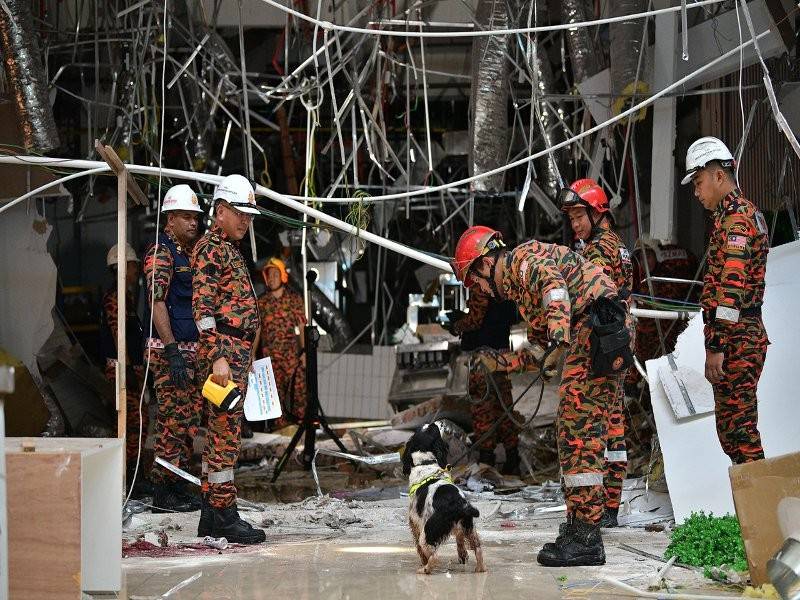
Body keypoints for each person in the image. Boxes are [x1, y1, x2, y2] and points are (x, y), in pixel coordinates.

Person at [451, 226, 631, 567]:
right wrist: (499, 363)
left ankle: (587, 537)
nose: (480, 291)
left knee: (579, 435)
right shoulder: (521, 292)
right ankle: (581, 525)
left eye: (476, 282)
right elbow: (536, 348)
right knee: (573, 433)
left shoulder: (523, 261)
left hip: (596, 331)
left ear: (486, 264)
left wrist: (560, 339)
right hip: (591, 333)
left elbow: (555, 289)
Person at [682, 136, 769, 464]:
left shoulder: (736, 221)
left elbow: (731, 291)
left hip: (738, 338)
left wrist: (717, 346)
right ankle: (755, 509)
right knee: (732, 431)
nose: (696, 191)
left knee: (740, 431)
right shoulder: (730, 217)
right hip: (740, 335)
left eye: (699, 181)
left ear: (719, 176)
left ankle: (762, 510)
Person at [192, 174, 266, 544]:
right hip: (223, 356)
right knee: (225, 436)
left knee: (220, 434)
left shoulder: (229, 248)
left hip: (236, 353)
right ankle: (225, 516)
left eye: (250, 216)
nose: (246, 222)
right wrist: (219, 358)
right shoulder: (210, 248)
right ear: (220, 211)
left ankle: (210, 513)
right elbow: (203, 311)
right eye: (241, 214)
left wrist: (244, 353)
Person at [560, 178, 633, 528]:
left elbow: (588, 297)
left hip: (600, 344)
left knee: (592, 426)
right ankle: (611, 506)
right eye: (571, 218)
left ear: (596, 212)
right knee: (614, 422)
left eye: (579, 216)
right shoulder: (617, 245)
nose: (575, 225)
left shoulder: (598, 250)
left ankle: (593, 512)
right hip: (616, 343)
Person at [143, 184, 204, 512]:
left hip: (188, 351)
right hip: (169, 353)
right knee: (172, 420)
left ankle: (178, 484)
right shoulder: (161, 251)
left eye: (195, 217)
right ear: (170, 218)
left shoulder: (187, 253)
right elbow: (157, 301)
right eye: (185, 216)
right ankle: (162, 492)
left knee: (188, 420)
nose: (193, 222)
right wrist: (171, 351)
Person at [446, 291, 521, 475]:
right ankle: (513, 458)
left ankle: (487, 459)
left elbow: (475, 320)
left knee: (483, 408)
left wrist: (457, 324)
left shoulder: (481, 286)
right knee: (503, 408)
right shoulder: (503, 286)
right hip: (502, 356)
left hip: (483, 357)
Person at [100, 243, 148, 494]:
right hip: (121, 369)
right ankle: (130, 478)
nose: (137, 270)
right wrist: (128, 368)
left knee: (139, 421)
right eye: (133, 266)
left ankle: (134, 474)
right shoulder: (115, 297)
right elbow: (118, 333)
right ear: (123, 267)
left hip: (130, 368)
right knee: (131, 423)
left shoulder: (126, 296)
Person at [627, 235, 700, 387]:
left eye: (647, 255)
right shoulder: (642, 280)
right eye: (640, 258)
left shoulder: (671, 273)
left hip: (674, 331)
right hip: (653, 335)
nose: (644, 262)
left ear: (656, 254)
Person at [257, 257, 307, 429]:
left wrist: (305, 352)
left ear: (282, 276)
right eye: (268, 276)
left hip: (291, 355)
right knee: (274, 395)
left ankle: (301, 427)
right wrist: (252, 356)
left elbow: (301, 326)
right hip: (270, 358)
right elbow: (257, 330)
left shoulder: (294, 299)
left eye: (275, 275)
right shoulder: (261, 302)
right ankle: (280, 428)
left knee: (298, 391)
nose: (271, 279)